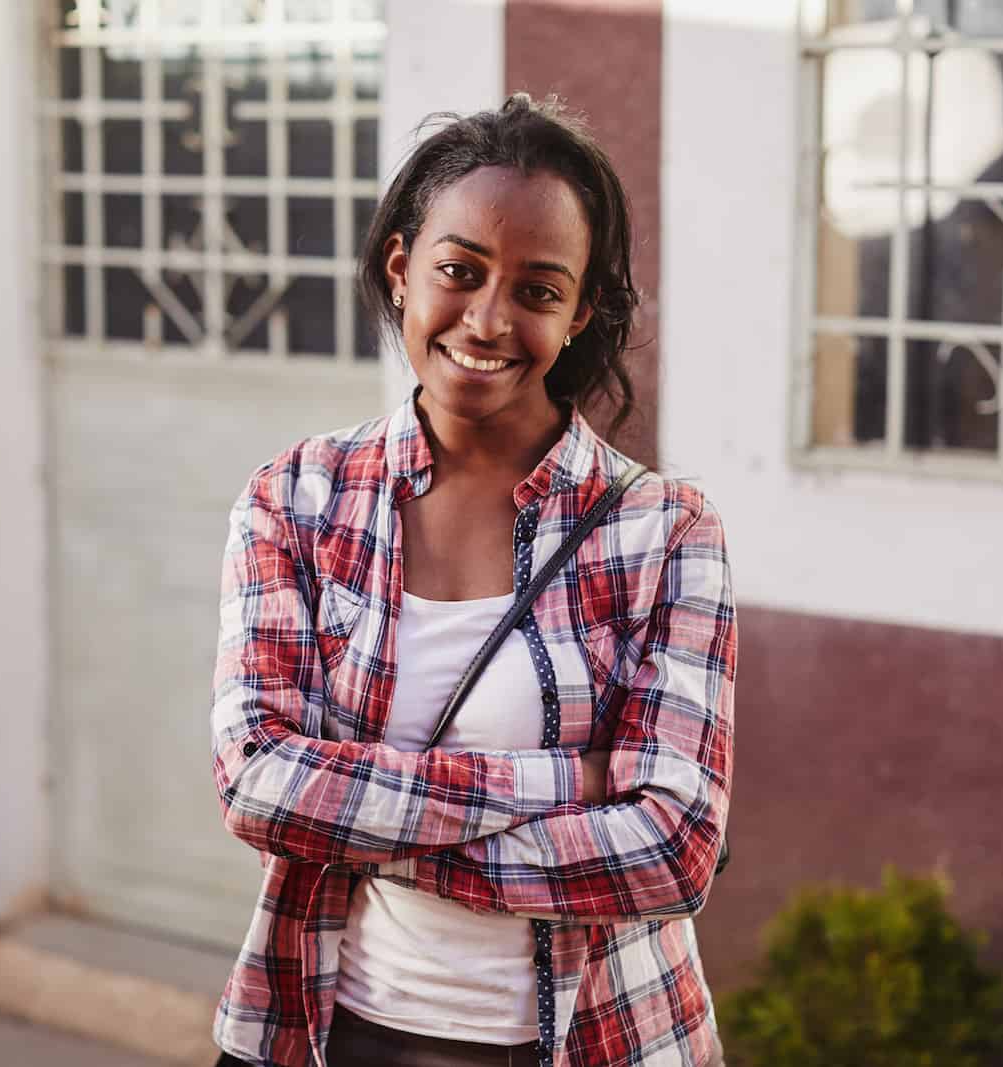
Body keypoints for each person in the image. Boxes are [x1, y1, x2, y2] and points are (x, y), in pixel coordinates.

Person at [209, 94, 735, 1067]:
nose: (488, 320)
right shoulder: (296, 500)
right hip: (338, 1025)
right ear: (403, 268)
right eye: (460, 271)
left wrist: (364, 824)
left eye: (537, 291)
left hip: (603, 1036)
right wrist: (557, 783)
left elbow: (674, 845)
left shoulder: (663, 531)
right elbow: (258, 785)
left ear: (578, 312)